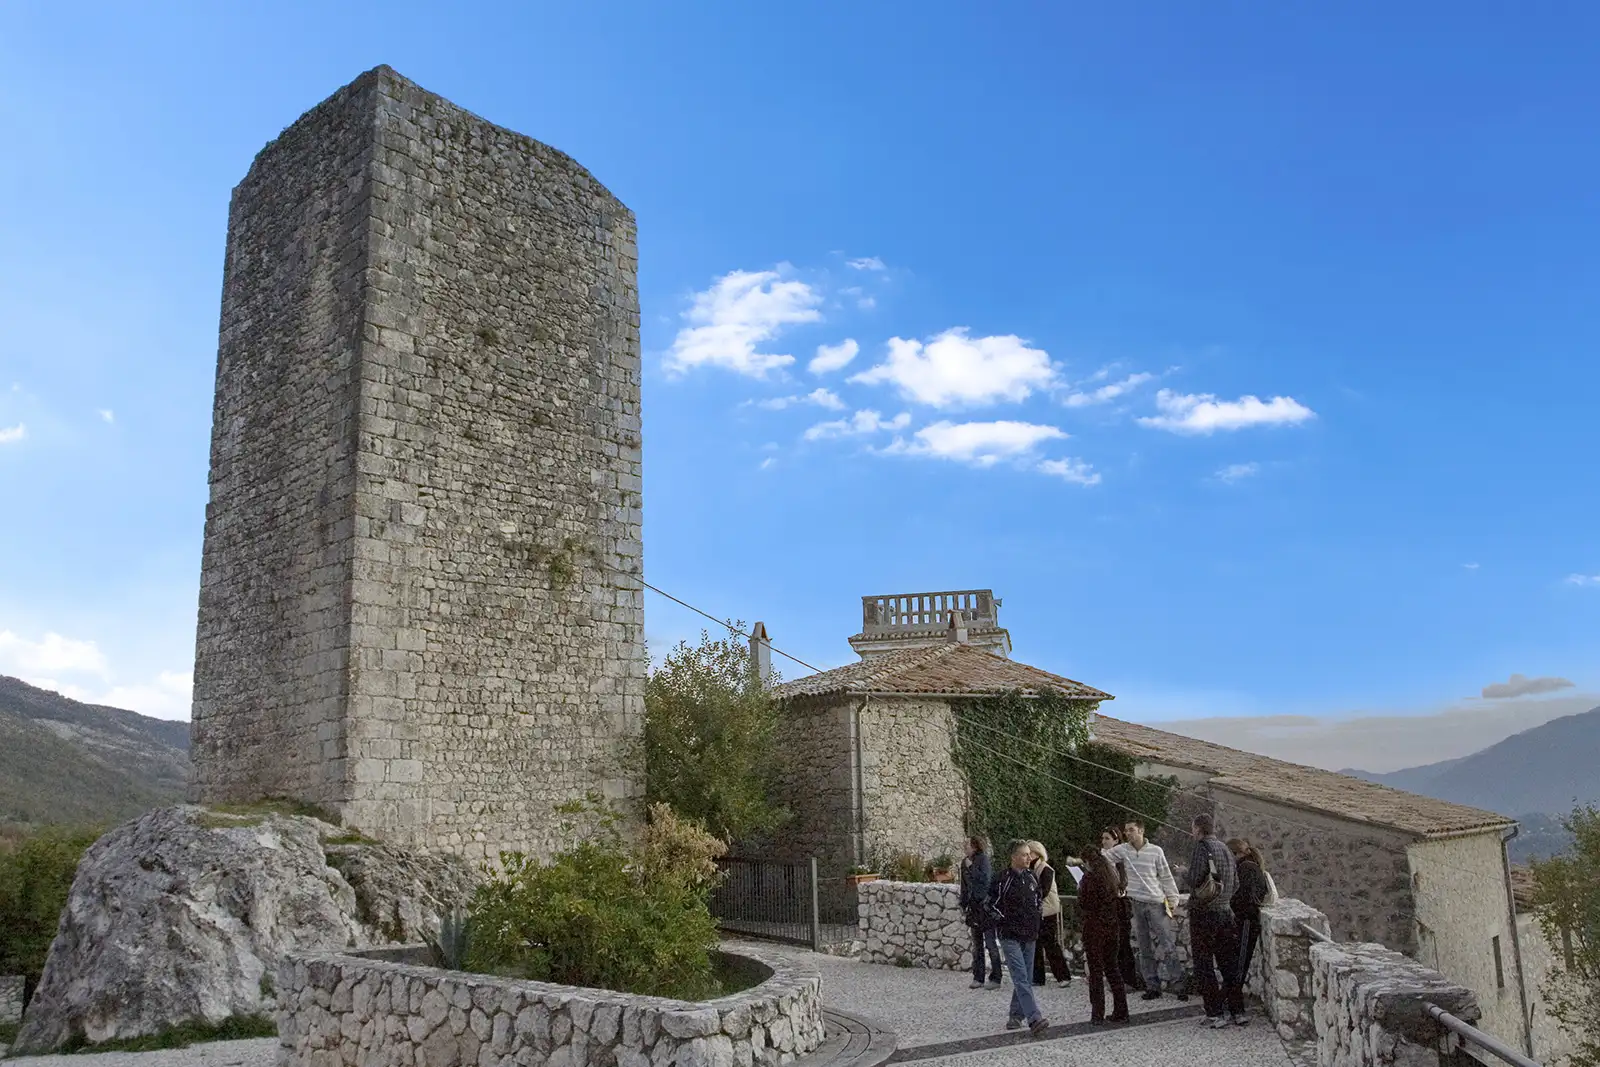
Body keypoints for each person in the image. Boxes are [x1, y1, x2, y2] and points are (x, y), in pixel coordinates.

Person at [1110, 819, 1185, 1001]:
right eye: (1126, 830)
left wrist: (1173, 899)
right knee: (1144, 947)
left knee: (1167, 944)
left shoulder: (1155, 851)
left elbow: (1165, 875)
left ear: (1141, 831)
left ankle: (1179, 985)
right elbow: (1105, 857)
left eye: (1132, 830)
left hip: (1155, 903)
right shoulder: (1124, 850)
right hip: (1136, 902)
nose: (1128, 833)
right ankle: (1152, 986)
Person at [1187, 814, 1247, 1028]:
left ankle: (1215, 1013)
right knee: (1229, 965)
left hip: (1205, 914)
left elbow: (1194, 879)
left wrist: (1183, 874)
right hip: (1226, 914)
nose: (1192, 832)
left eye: (1193, 828)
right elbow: (1237, 883)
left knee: (1204, 966)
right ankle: (1238, 1011)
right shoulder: (1225, 849)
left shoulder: (1202, 848)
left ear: (1199, 829)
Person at [991, 840, 1050, 1037]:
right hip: (1010, 935)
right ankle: (1034, 1017)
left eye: (1029, 854)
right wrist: (1003, 920)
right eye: (1024, 854)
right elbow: (990, 904)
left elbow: (1038, 900)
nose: (1028, 858)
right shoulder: (1002, 879)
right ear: (1014, 857)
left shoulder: (1031, 877)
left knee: (1025, 977)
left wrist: (1036, 921)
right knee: (1020, 977)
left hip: (1030, 935)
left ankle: (1015, 1015)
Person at [1077, 837, 1130, 1024]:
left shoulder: (1089, 879)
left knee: (1096, 972)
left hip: (1094, 928)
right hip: (1112, 927)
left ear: (1086, 861)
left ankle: (1097, 1013)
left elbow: (1084, 903)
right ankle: (1122, 1010)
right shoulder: (1110, 876)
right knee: (1113, 968)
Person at [1100, 825, 1143, 992]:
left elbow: (1124, 880)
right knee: (1112, 945)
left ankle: (1129, 980)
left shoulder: (1120, 858)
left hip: (1120, 903)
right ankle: (1115, 979)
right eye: (1103, 839)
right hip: (1109, 905)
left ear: (1116, 840)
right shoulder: (1105, 858)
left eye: (1107, 839)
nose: (1104, 842)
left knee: (1122, 944)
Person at [959, 835, 1004, 989]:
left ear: (975, 846)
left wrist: (971, 867)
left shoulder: (982, 860)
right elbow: (964, 885)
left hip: (985, 907)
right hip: (973, 907)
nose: (965, 847)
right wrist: (963, 903)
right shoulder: (965, 863)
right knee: (976, 945)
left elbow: (985, 879)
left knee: (991, 944)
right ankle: (978, 976)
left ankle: (996, 977)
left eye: (968, 845)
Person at [1027, 841, 1072, 987]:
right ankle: (1038, 977)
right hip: (1037, 910)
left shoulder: (1046, 869)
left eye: (1030, 853)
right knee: (1036, 944)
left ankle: (1063, 976)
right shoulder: (1031, 869)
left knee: (1050, 943)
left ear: (1037, 853)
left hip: (1048, 911)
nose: (1028, 856)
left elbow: (1043, 890)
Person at [1228, 838, 1272, 986]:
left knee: (1240, 961)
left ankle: (1234, 999)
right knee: (1239, 959)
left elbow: (1245, 897)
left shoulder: (1246, 869)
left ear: (1236, 854)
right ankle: (1232, 996)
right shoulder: (1251, 867)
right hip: (1247, 919)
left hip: (1246, 920)